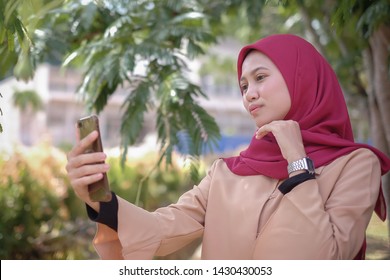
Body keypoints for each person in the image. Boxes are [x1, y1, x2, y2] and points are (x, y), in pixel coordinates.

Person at [66, 34, 390, 260]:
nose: (249, 93)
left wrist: (297, 161)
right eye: (244, 85)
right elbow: (160, 231)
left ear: (302, 78)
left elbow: (321, 259)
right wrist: (99, 200)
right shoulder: (228, 172)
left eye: (261, 77)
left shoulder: (356, 165)